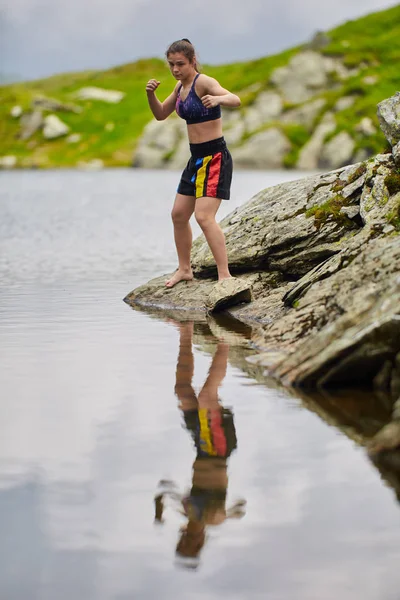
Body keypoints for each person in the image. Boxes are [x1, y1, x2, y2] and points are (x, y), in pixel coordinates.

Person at [145, 39, 241, 288]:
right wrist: (150, 95)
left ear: (192, 61)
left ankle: (225, 275)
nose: (175, 69)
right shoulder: (180, 88)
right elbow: (160, 114)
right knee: (178, 215)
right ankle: (185, 270)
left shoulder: (204, 82)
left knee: (204, 217)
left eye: (180, 64)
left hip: (215, 157)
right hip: (195, 158)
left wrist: (219, 100)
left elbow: (235, 99)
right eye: (171, 65)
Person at [154, 320, 245, 568]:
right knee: (207, 396)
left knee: (183, 391)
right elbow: (224, 513)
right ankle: (225, 342)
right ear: (199, 539)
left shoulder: (187, 511)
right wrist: (233, 512)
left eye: (183, 537)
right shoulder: (210, 519)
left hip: (201, 443)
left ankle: (185, 332)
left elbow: (165, 491)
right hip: (216, 448)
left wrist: (159, 508)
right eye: (190, 539)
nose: (186, 533)